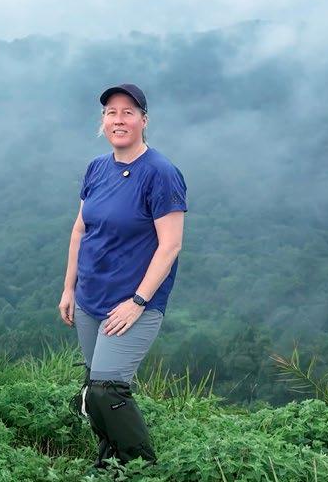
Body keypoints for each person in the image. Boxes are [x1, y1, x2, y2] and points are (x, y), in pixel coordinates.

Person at [58, 83, 186, 467]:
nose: (119, 120)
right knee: (93, 387)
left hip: (133, 302)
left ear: (144, 120)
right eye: (111, 113)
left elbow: (170, 246)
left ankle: (141, 467)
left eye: (128, 112)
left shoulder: (161, 173)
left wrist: (138, 302)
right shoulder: (97, 168)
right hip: (89, 298)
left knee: (107, 391)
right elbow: (80, 229)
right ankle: (108, 464)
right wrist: (68, 288)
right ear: (103, 121)